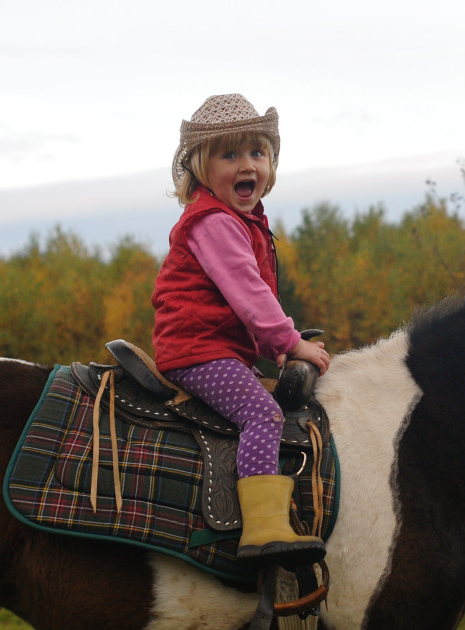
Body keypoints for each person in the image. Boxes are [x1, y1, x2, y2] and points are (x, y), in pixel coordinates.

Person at [152, 94, 330, 567]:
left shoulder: (244, 221)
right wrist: (291, 343)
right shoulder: (213, 221)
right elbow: (249, 296)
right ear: (201, 169)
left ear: (270, 165)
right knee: (263, 415)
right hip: (198, 350)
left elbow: (253, 302)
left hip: (217, 347)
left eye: (257, 153)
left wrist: (280, 351)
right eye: (229, 155)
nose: (246, 164)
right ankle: (263, 528)